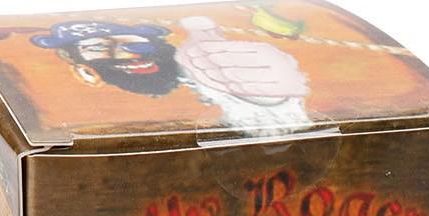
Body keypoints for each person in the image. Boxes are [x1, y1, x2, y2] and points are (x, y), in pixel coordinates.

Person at [33, 17, 313, 137]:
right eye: (96, 48)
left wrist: (279, 103)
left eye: (128, 41)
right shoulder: (100, 106)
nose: (125, 52)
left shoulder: (207, 66)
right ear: (84, 68)